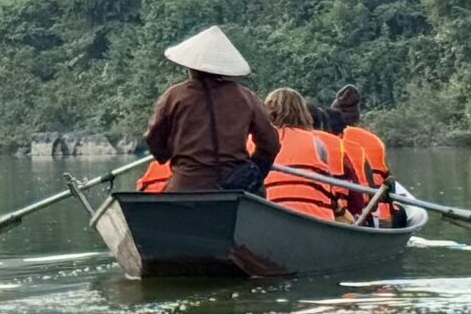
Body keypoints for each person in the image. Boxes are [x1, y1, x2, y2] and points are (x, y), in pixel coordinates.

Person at [141, 25, 282, 193]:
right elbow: (271, 143)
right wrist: (253, 170)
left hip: (185, 185)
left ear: (191, 66)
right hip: (234, 189)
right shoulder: (246, 97)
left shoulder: (174, 96)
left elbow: (154, 137)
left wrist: (166, 156)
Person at [259, 88, 356, 219]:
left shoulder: (253, 141)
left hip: (267, 217)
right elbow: (329, 190)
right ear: (302, 113)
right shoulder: (317, 143)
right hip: (316, 219)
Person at [328, 85, 398, 226]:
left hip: (346, 215)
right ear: (358, 117)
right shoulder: (375, 140)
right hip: (382, 217)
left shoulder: (330, 141)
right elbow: (389, 182)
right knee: (399, 212)